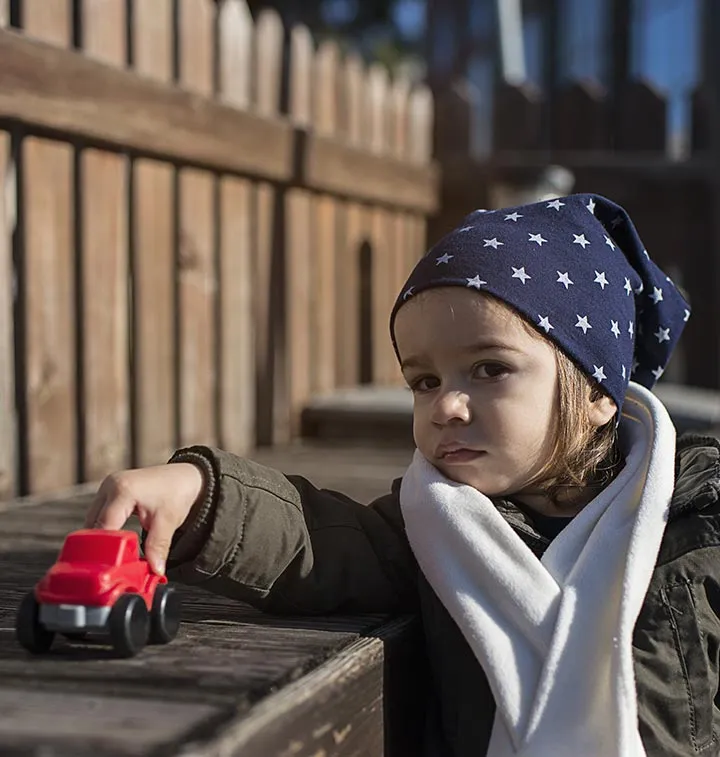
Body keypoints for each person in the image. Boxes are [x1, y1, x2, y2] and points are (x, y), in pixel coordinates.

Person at [85, 194, 720, 757]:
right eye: (424, 381)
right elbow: (318, 538)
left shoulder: (693, 526)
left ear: (598, 388)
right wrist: (205, 497)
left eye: (489, 369)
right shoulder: (434, 524)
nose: (445, 405)